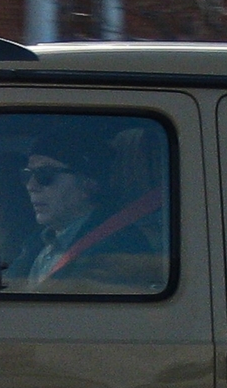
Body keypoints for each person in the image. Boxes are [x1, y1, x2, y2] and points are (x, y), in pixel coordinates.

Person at [12, 125, 167, 293]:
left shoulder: (116, 249)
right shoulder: (35, 244)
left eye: (45, 175)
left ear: (89, 183)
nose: (31, 186)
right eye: (27, 175)